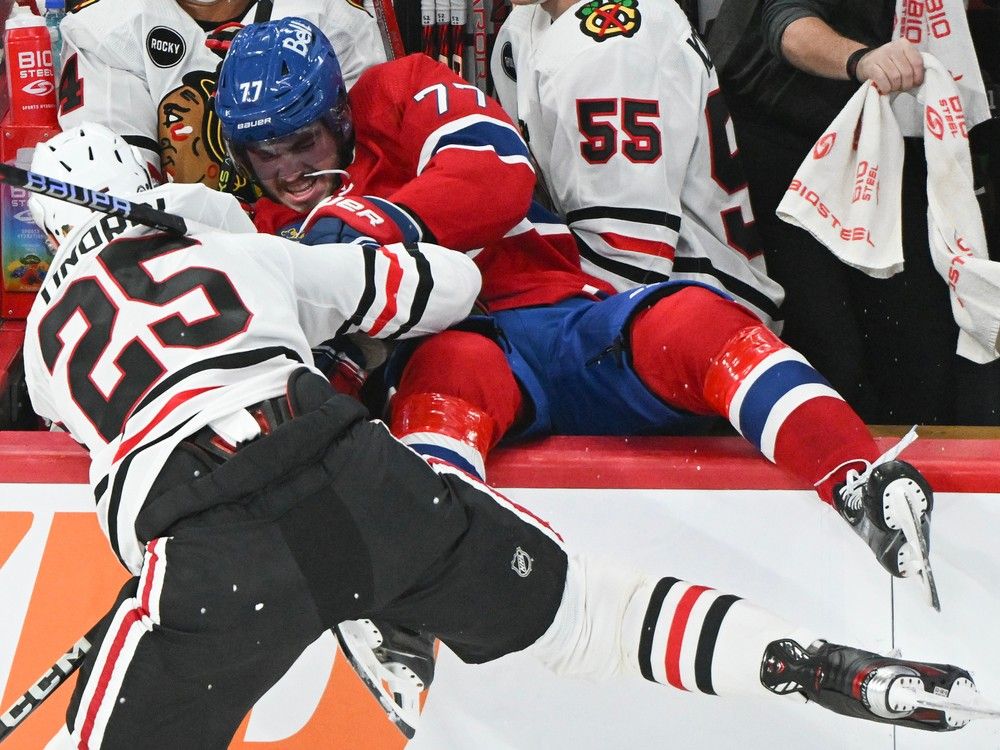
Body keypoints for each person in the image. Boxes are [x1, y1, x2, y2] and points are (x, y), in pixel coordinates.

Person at [24, 124, 988, 749]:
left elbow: (107, 411)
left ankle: (387, 620)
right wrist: (299, 255)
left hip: (206, 539)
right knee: (593, 623)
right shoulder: (230, 248)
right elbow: (440, 289)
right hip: (353, 468)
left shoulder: (37, 342)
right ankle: (808, 662)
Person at [216, 17, 938, 591]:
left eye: (300, 141)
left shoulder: (398, 92)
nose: (286, 172)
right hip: (465, 359)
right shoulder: (268, 235)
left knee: (695, 319)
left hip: (562, 314)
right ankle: (433, 584)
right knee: (443, 377)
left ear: (339, 114)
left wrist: (372, 225)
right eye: (260, 154)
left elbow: (496, 171)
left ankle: (859, 481)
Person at [704, 0, 1000, 425]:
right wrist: (860, 58)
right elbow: (788, 22)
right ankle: (838, 472)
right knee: (832, 352)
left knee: (922, 345)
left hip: (889, 135)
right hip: (788, 147)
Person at [56, 0, 386, 188]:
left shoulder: (330, 16)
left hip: (311, 246)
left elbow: (374, 169)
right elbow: (116, 189)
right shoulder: (106, 28)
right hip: (176, 260)